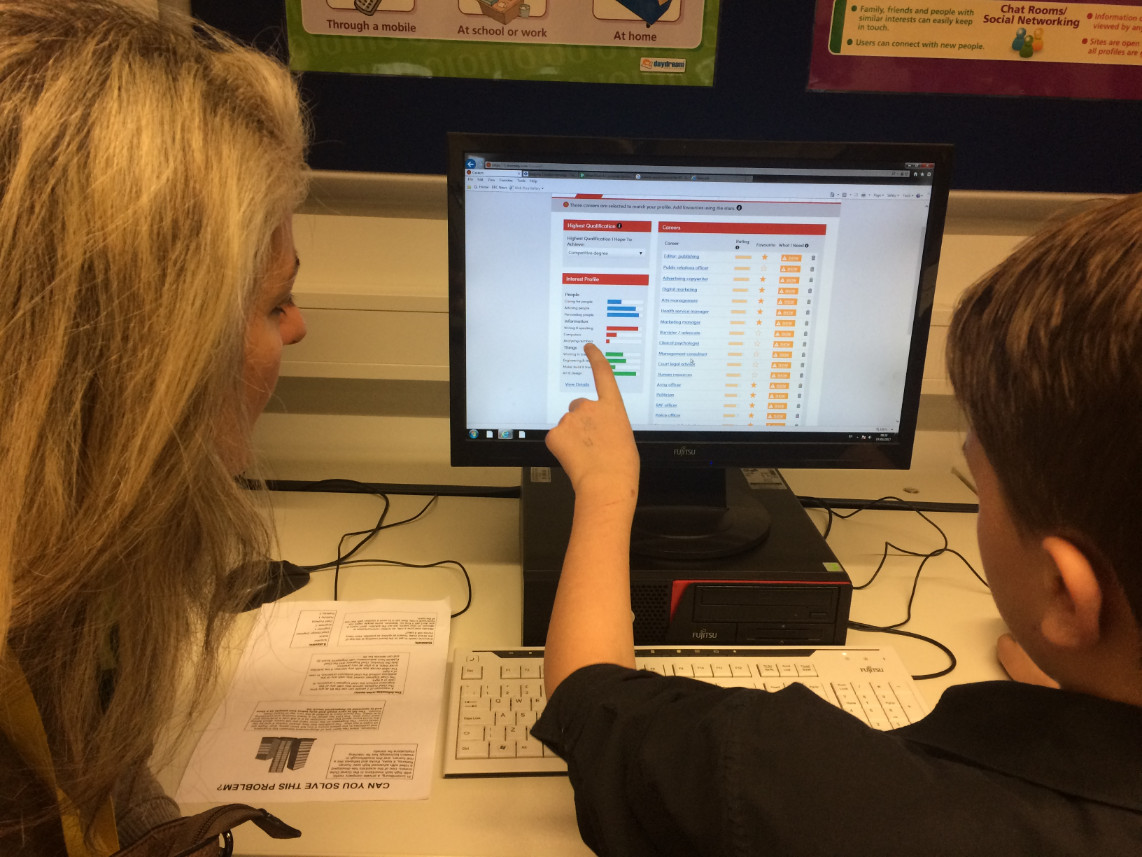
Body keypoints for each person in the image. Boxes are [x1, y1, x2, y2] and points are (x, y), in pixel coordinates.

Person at [533, 194, 1142, 855]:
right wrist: (1084, 682)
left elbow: (589, 698)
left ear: (1065, 593)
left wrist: (604, 488)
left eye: (979, 484)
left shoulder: (830, 797)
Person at [0, 1, 310, 852]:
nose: (295, 329)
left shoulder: (66, 585)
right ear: (148, 358)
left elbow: (103, 779)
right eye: (274, 300)